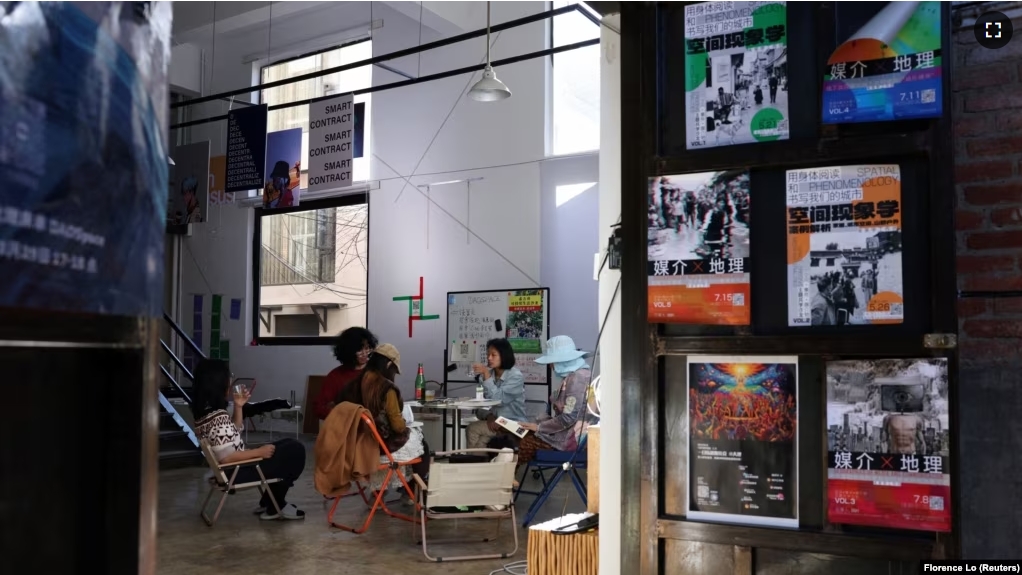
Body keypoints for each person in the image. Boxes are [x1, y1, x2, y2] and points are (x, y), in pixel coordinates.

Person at [190, 359, 306, 520]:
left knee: (287, 445)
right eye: (228, 377)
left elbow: (233, 432)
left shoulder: (207, 415)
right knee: (296, 452)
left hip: (232, 469)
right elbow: (226, 458)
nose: (230, 381)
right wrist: (258, 452)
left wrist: (238, 406)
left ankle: (269, 502)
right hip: (238, 471)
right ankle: (275, 506)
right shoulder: (218, 417)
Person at [336, 343, 430, 491]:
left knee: (413, 443)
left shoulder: (352, 385)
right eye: (394, 369)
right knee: (421, 445)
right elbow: (398, 427)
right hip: (379, 446)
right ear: (388, 364)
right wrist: (405, 424)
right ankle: (418, 490)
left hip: (354, 446)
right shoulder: (386, 388)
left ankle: (380, 493)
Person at [517, 336, 596, 465]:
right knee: (523, 436)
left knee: (522, 443)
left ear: (560, 361)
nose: (550, 367)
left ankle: (507, 480)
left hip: (571, 440)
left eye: (551, 363)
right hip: (573, 435)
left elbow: (568, 418)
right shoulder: (578, 375)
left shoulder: (577, 379)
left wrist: (539, 427)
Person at [466, 338, 527, 449]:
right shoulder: (486, 375)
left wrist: (486, 374)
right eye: (488, 354)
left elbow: (499, 400)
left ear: (504, 356)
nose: (489, 358)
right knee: (481, 441)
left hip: (512, 424)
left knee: (472, 428)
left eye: (493, 355)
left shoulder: (515, 376)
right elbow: (480, 405)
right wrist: (489, 416)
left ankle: (473, 462)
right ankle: (478, 463)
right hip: (495, 423)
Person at [313, 327, 378, 422]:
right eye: (359, 350)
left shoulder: (376, 372)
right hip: (346, 428)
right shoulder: (336, 376)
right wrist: (342, 414)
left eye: (367, 348)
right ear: (349, 352)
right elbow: (318, 408)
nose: (364, 353)